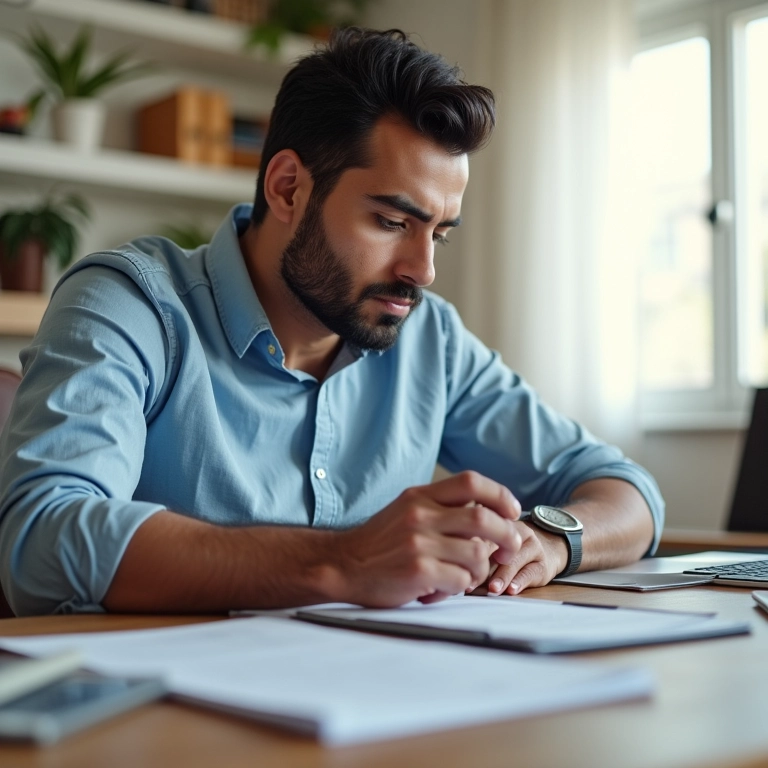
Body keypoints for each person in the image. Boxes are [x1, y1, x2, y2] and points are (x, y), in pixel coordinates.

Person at [0, 28, 663, 617]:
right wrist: (343, 562)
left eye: (440, 234)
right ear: (288, 188)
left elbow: (628, 493)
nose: (423, 269)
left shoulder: (429, 338)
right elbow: (43, 539)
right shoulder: (130, 305)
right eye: (392, 222)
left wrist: (551, 541)